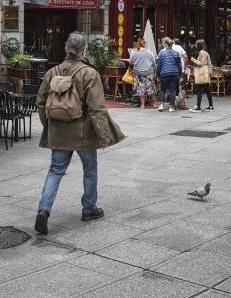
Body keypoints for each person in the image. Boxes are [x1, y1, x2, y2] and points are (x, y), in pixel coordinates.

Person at [34, 32, 125, 235]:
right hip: (83, 132)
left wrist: (48, 125)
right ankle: (89, 209)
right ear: (84, 50)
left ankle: (43, 210)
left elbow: (40, 102)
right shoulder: (89, 73)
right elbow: (97, 108)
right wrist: (103, 135)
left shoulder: (52, 72)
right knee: (90, 170)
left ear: (66, 48)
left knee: (55, 171)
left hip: (58, 132)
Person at [129, 38, 157, 109]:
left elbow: (130, 62)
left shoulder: (134, 52)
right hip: (148, 73)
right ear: (144, 44)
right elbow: (154, 63)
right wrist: (155, 71)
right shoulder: (149, 51)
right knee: (151, 88)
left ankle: (142, 105)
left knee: (141, 89)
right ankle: (154, 104)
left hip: (138, 74)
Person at [156, 37, 182, 113]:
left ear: (166, 44)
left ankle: (161, 105)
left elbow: (159, 65)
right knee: (172, 90)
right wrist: (180, 76)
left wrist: (157, 75)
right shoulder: (176, 53)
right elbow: (179, 66)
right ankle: (171, 107)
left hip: (164, 74)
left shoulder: (162, 53)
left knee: (163, 89)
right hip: (174, 74)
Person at [190, 40, 214, 112]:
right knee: (207, 90)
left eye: (196, 44)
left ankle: (198, 107)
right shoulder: (205, 52)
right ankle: (210, 106)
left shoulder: (202, 52)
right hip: (206, 73)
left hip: (202, 73)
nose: (195, 45)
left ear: (199, 45)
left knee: (200, 89)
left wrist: (194, 60)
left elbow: (203, 63)